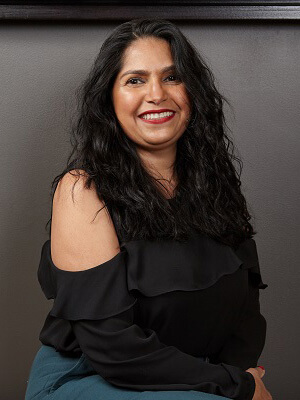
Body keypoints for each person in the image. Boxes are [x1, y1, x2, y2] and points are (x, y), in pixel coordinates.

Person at [25, 18, 272, 400]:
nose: (156, 94)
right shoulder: (83, 190)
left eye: (172, 77)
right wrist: (234, 386)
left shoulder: (214, 182)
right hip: (90, 378)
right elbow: (111, 347)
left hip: (190, 377)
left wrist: (240, 374)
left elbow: (245, 309)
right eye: (135, 80)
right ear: (109, 99)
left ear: (193, 92)